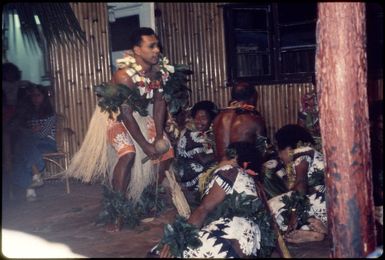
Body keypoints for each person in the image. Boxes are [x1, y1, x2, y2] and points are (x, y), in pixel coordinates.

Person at [65, 27, 188, 232]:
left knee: (166, 153)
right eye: (151, 46)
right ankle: (117, 212)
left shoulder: (160, 72)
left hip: (137, 114)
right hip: (114, 116)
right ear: (137, 50)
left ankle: (145, 199)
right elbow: (125, 114)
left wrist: (158, 136)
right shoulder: (124, 76)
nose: (157, 49)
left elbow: (159, 104)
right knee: (128, 154)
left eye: (157, 45)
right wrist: (146, 146)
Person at [153, 142, 276, 258]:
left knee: (158, 252)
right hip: (248, 243)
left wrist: (178, 240)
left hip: (230, 236)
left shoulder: (229, 171)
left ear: (234, 159)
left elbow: (204, 209)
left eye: (222, 158)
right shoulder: (251, 181)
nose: (219, 162)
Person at [267, 124, 327, 243]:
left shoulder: (302, 152)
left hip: (321, 203)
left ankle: (310, 228)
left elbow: (301, 184)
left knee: (271, 207)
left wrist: (294, 214)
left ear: (289, 148)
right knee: (286, 202)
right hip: (326, 208)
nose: (279, 155)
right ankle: (313, 230)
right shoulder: (310, 153)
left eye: (279, 150)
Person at [9, 85, 57, 201]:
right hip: (31, 144)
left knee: (24, 145)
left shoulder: (51, 115)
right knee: (23, 148)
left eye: (38, 95)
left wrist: (31, 132)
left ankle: (30, 187)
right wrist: (31, 131)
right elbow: (18, 129)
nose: (35, 98)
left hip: (46, 143)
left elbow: (43, 134)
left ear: (44, 97)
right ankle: (35, 177)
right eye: (33, 96)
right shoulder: (29, 114)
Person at [174, 100, 218, 200]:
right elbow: (205, 160)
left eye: (203, 118)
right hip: (192, 182)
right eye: (196, 117)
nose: (199, 121)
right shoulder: (192, 134)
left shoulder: (204, 134)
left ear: (211, 119)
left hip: (197, 176)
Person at [213, 81, 267, 162]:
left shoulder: (218, 118)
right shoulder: (254, 119)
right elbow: (262, 151)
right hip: (243, 171)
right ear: (253, 97)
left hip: (220, 171)